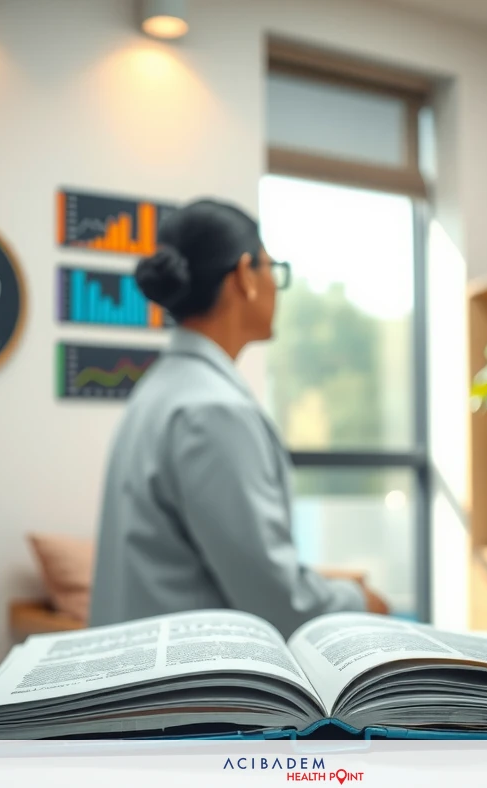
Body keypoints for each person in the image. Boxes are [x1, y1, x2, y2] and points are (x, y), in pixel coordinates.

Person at [89, 198, 390, 637]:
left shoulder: (160, 391)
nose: (274, 286)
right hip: (195, 690)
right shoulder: (213, 411)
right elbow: (279, 600)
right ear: (245, 276)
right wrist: (362, 601)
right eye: (272, 269)